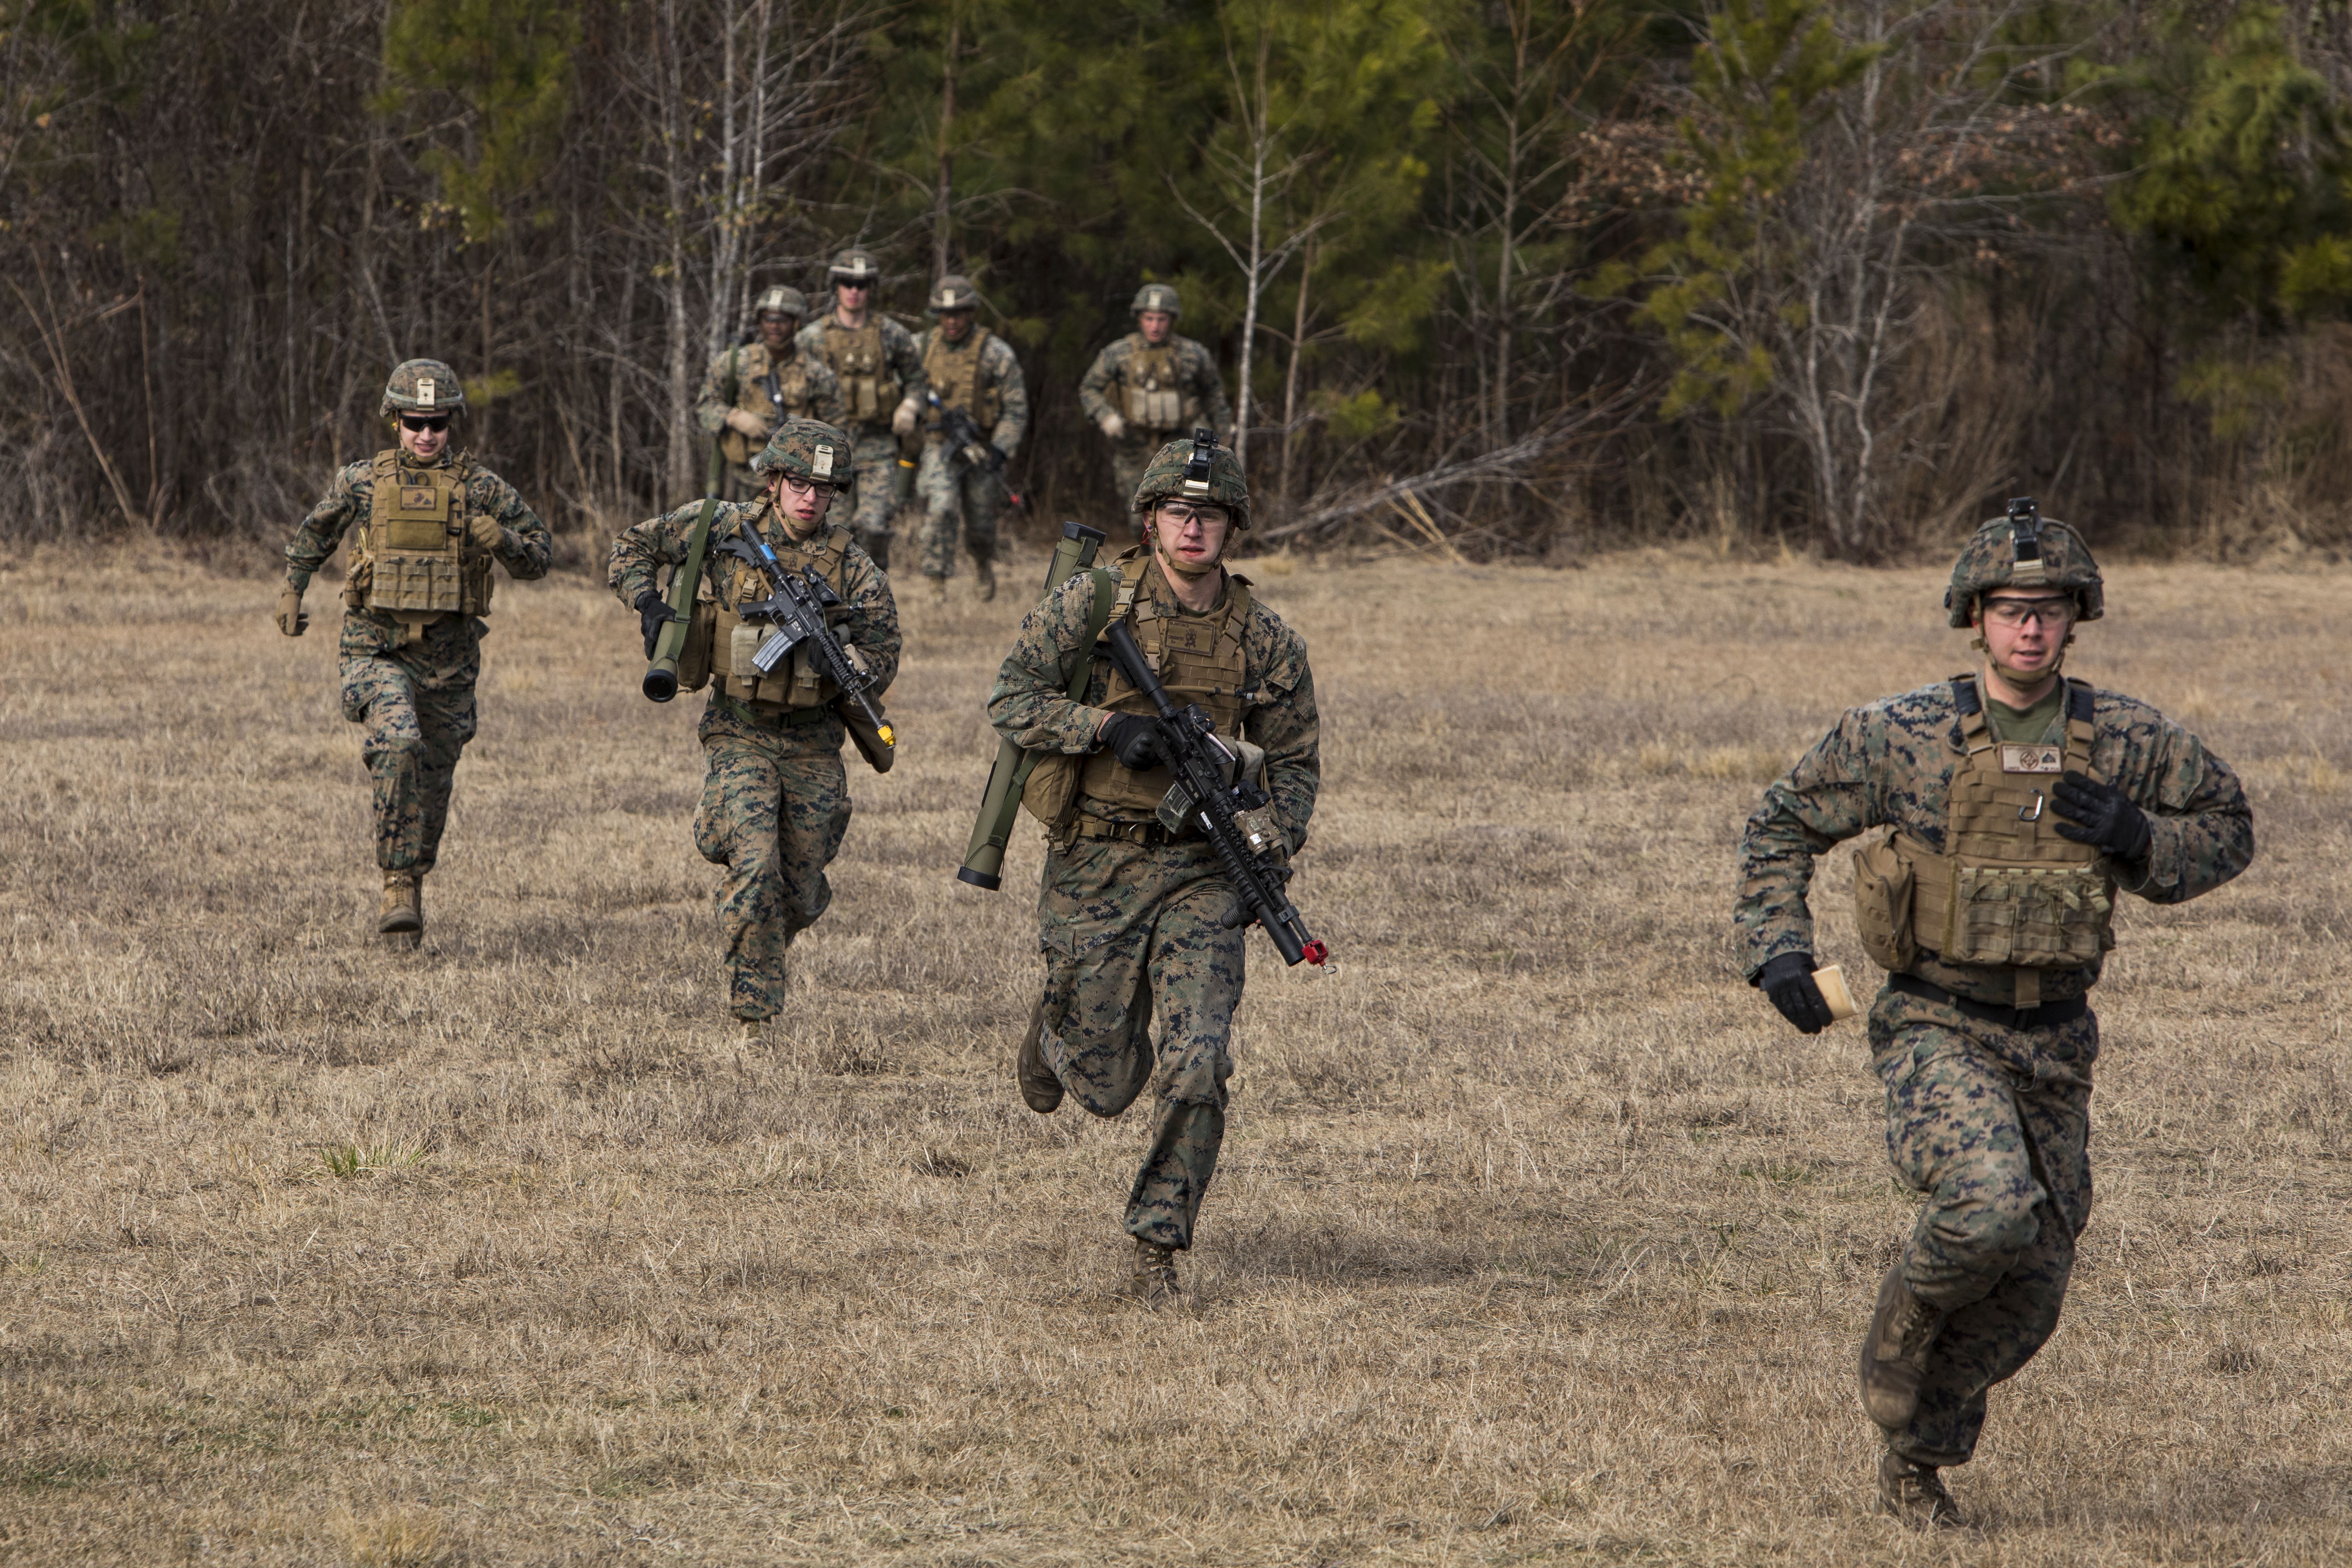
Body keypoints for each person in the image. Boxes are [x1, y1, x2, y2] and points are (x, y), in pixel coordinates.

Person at [1733, 502, 2254, 1527]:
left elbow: (2228, 826)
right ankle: (1905, 1318)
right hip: (1937, 1019)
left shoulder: (2121, 740)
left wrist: (2140, 836)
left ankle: (1914, 1457)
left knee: (2034, 1283)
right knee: (1986, 1204)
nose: (2029, 629)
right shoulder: (1902, 735)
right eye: (2011, 610)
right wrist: (1775, 950)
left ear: (2074, 620)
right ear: (1974, 617)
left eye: (2049, 611)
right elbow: (1781, 820)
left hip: (2056, 1035)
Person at [984, 435, 1319, 1307]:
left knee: (1199, 1059)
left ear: (1232, 528)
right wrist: (1103, 729)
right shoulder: (1091, 604)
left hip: (1203, 875)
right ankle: (1057, 1032)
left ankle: (1154, 1246)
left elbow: (1294, 769)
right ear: (1150, 520)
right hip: (1094, 861)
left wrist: (1267, 844)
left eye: (1209, 515)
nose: (1193, 527)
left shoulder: (1267, 640)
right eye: (1178, 512)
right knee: (1103, 1086)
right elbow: (1010, 698)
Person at [606, 419, 901, 1041]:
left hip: (814, 741)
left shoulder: (854, 567)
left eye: (825, 487)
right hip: (738, 730)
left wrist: (846, 660)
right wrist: (650, 604)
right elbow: (631, 547)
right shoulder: (723, 526)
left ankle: (761, 933)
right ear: (772, 480)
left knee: (799, 891)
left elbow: (886, 650)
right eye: (798, 482)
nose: (810, 498)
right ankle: (755, 1021)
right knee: (754, 868)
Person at [275, 359, 551, 941]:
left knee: (433, 781)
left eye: (438, 422)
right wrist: (292, 589)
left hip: (449, 663)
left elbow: (541, 555)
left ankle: (414, 875)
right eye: (414, 421)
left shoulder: (481, 488)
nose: (426, 434)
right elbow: (316, 532)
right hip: (375, 649)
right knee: (398, 741)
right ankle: (397, 881)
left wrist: (502, 540)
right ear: (393, 419)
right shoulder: (363, 481)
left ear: (453, 422)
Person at [796, 248, 926, 569]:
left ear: (872, 288)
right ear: (835, 286)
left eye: (862, 284)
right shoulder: (812, 338)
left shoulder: (892, 334)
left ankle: (873, 587)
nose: (854, 291)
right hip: (827, 448)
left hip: (877, 444)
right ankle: (831, 598)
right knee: (831, 529)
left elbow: (918, 379)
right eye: (847, 283)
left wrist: (910, 405)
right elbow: (790, 383)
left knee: (874, 526)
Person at [1077, 283, 1234, 531]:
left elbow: (1214, 392)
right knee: (1139, 515)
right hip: (1134, 444)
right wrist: (1106, 416)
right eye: (1149, 318)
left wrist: (1223, 434)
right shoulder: (1118, 353)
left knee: (1184, 510)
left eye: (1162, 319)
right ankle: (1142, 567)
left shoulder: (1193, 354)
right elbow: (1089, 388)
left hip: (1181, 443)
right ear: (1139, 318)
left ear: (1172, 320)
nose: (1155, 326)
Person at [913, 274, 1028, 603]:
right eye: (945, 314)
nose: (952, 321)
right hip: (939, 446)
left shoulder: (995, 353)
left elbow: (1016, 406)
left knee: (980, 520)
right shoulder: (920, 346)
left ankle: (981, 562)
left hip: (982, 448)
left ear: (971, 312)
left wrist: (1001, 449)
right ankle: (936, 579)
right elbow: (901, 379)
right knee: (941, 507)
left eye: (959, 313)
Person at [696, 285, 844, 500]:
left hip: (798, 484)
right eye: (768, 319)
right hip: (741, 480)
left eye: (782, 320)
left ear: (796, 323)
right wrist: (735, 417)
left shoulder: (816, 374)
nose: (774, 327)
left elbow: (837, 429)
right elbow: (706, 403)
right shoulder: (735, 362)